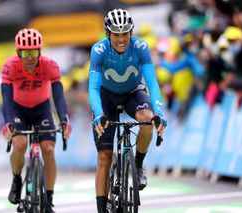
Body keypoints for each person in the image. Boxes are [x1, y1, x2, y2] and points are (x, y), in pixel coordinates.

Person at [88, 9, 167, 213]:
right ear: (108, 34)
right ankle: (101, 208)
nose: (121, 39)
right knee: (104, 156)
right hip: (106, 97)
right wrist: (98, 113)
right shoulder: (99, 50)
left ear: (131, 33)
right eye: (116, 34)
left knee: (147, 119)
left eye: (125, 33)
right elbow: (93, 88)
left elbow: (152, 82)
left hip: (133, 92)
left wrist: (159, 112)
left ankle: (138, 164)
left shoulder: (141, 47)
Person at [1, 28, 72, 213]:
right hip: (18, 110)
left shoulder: (50, 65)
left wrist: (64, 119)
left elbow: (58, 96)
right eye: (25, 53)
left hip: (42, 110)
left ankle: (48, 200)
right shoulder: (10, 66)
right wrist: (8, 122)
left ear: (40, 51)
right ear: (19, 53)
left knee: (48, 150)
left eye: (33, 52)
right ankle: (17, 179)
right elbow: (6, 99)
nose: (30, 57)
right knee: (19, 144)